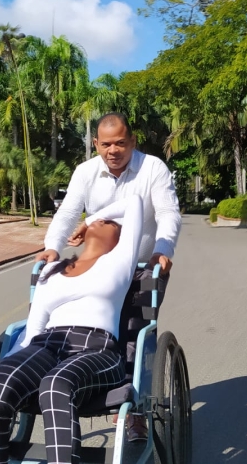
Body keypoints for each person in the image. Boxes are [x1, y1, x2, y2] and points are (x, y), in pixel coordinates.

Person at [34, 111, 181, 440]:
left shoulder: (152, 168)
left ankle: (135, 410)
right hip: (99, 269)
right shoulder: (85, 172)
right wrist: (52, 247)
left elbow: (168, 212)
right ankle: (89, 386)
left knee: (134, 332)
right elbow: (68, 211)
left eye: (120, 143)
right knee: (89, 327)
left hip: (142, 268)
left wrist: (162, 250)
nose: (113, 150)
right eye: (106, 144)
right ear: (96, 143)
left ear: (132, 142)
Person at [0, 195, 144, 464]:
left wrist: (89, 219)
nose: (104, 221)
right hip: (47, 344)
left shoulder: (120, 260)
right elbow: (34, 329)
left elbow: (134, 202)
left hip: (98, 349)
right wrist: (9, 361)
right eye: (100, 220)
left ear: (120, 239)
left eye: (111, 223)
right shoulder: (52, 269)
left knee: (56, 385)